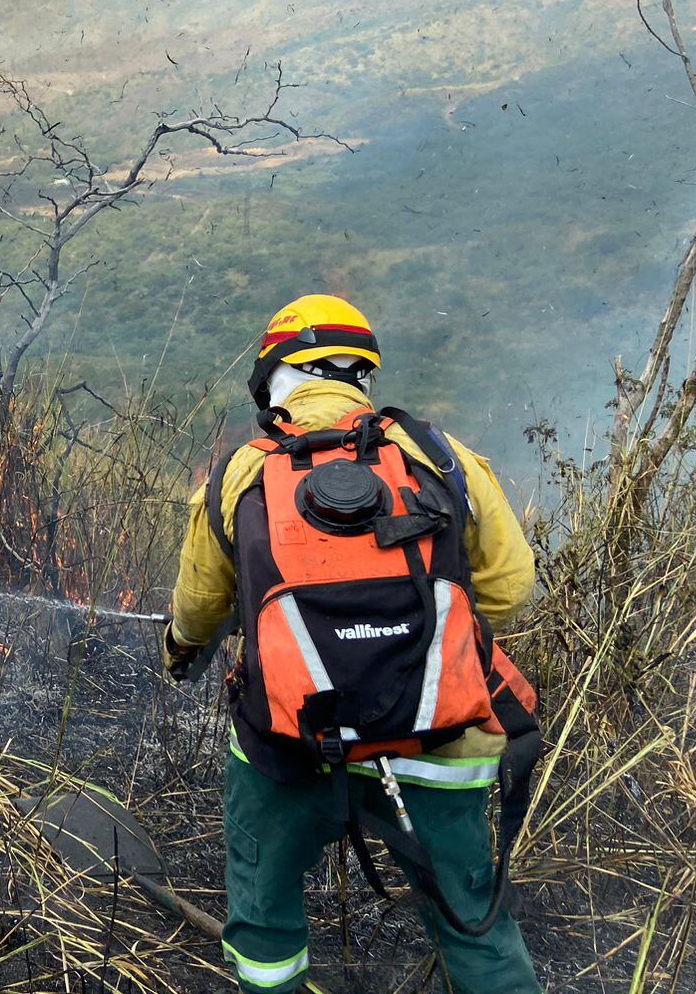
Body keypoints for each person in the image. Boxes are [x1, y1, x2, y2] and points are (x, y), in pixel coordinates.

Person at [162, 293, 542, 994]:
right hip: (441, 739)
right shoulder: (439, 455)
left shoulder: (241, 472)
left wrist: (181, 648)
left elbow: (198, 611)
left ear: (273, 377)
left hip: (289, 745)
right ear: (359, 376)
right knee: (473, 923)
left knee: (267, 919)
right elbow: (513, 589)